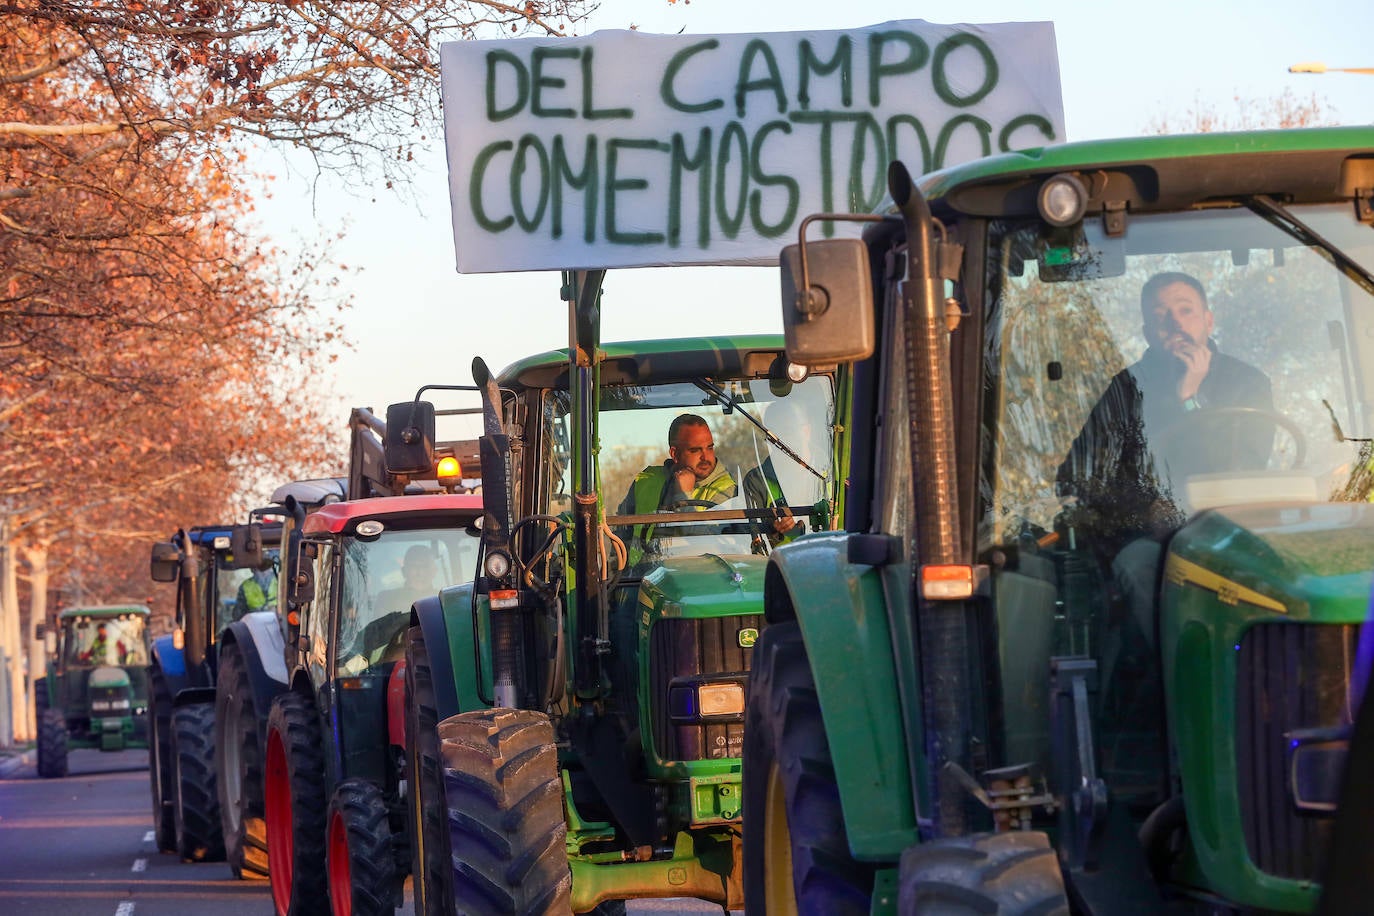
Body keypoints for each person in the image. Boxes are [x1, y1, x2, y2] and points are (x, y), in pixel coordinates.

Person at [1057, 270, 1273, 665]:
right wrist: (1145, 514)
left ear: (1208, 320)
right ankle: (1178, 681)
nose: (1175, 322)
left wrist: (1189, 397)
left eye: (1186, 310)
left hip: (1231, 535)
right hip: (1155, 542)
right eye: (1162, 315)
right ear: (1148, 331)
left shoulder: (1247, 383)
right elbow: (1077, 476)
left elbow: (1244, 469)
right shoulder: (1124, 391)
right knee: (1139, 567)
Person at [617, 415, 738, 566]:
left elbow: (713, 543)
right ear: (674, 454)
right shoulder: (645, 480)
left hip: (696, 579)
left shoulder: (726, 489)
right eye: (695, 450)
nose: (706, 457)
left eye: (710, 447)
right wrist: (618, 574)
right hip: (639, 578)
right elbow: (622, 533)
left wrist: (683, 495)